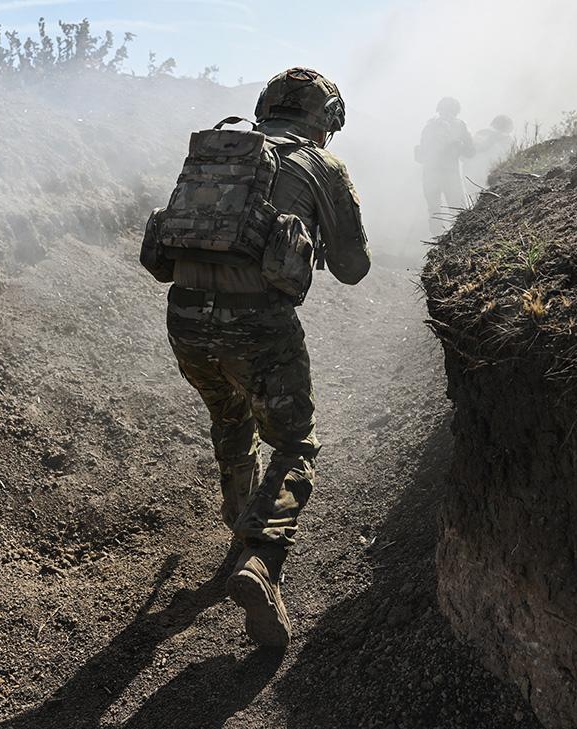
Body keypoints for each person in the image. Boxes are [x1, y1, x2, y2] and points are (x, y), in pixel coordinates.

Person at [148, 67, 370, 647]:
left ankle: (239, 517)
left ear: (266, 105)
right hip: (259, 326)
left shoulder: (222, 147)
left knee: (229, 414)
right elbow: (354, 267)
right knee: (295, 444)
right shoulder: (322, 165)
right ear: (326, 118)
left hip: (186, 317)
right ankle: (261, 563)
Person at [414, 96, 474, 234]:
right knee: (456, 208)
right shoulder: (459, 125)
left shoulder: (429, 126)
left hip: (432, 173)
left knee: (436, 210)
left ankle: (440, 242)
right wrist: (459, 146)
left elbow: (421, 153)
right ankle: (457, 240)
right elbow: (470, 151)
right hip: (449, 173)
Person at [465, 114, 515, 187]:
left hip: (488, 171)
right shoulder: (484, 133)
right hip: (478, 170)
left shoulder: (507, 139)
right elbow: (475, 149)